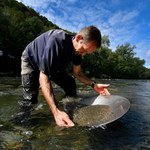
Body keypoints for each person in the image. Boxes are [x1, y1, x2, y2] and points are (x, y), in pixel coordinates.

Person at [20, 25, 110, 128]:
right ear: (78, 38)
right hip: (31, 60)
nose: (83, 54)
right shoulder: (57, 41)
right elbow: (44, 77)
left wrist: (94, 85)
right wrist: (56, 112)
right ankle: (21, 125)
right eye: (84, 50)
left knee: (70, 84)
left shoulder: (77, 51)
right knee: (30, 99)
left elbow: (77, 73)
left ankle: (68, 108)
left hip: (52, 65)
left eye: (86, 53)